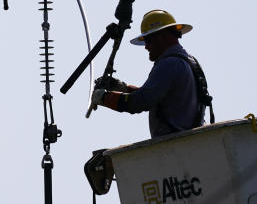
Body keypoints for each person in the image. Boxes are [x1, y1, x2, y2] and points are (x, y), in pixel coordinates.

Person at [90, 9, 211, 138]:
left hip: (174, 144)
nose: (146, 47)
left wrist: (104, 98)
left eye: (148, 40)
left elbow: (142, 101)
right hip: (189, 142)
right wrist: (124, 88)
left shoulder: (169, 64)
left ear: (162, 36)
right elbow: (155, 95)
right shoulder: (188, 61)